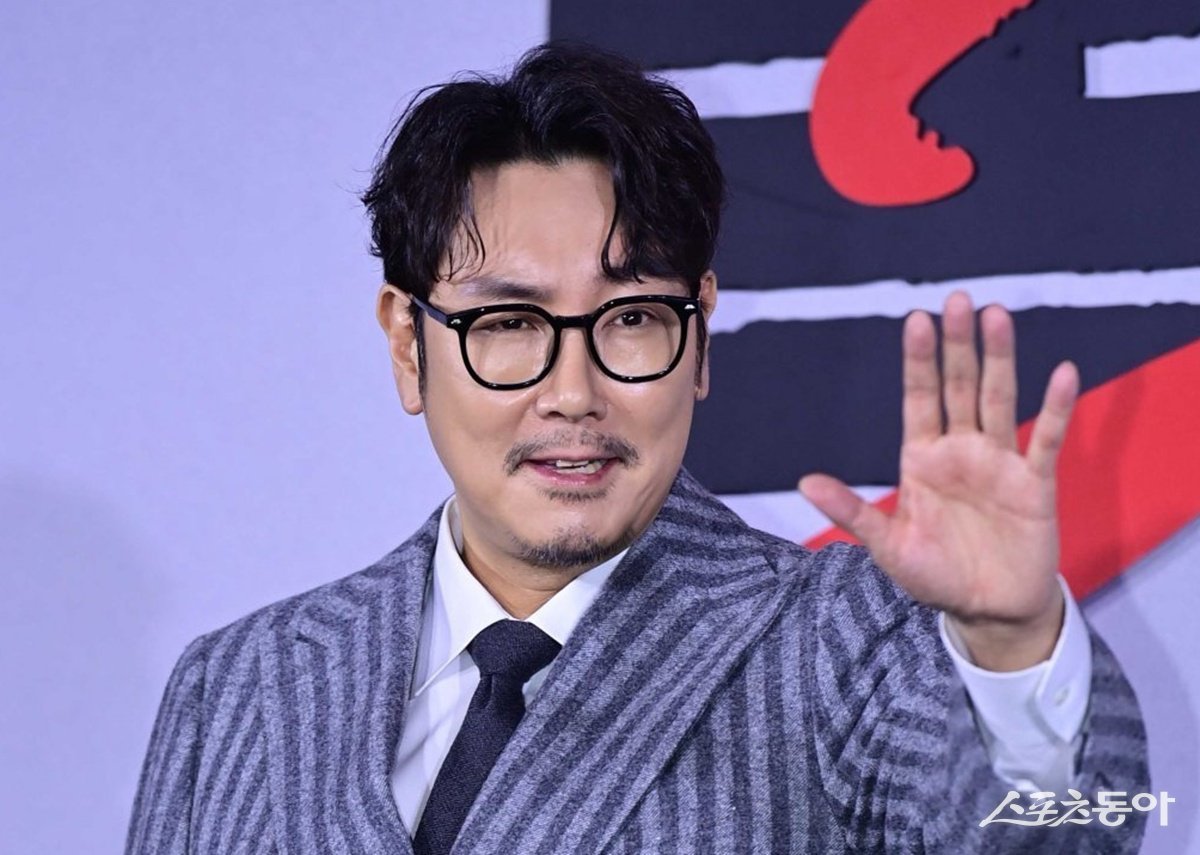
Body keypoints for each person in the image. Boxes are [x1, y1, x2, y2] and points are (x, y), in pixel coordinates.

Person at [126, 43, 1148, 854]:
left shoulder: (845, 640)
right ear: (407, 342)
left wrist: (1012, 646)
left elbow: (1061, 836)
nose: (574, 394)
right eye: (509, 324)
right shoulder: (239, 686)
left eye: (631, 319)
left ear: (698, 336)